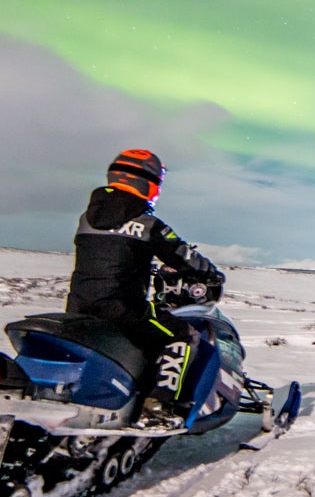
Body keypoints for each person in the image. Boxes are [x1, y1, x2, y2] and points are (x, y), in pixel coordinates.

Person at [66, 149, 222, 427]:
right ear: (149, 184)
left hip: (78, 310)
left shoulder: (87, 219)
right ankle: (158, 405)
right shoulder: (149, 224)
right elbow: (183, 255)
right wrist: (211, 274)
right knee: (182, 335)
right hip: (124, 313)